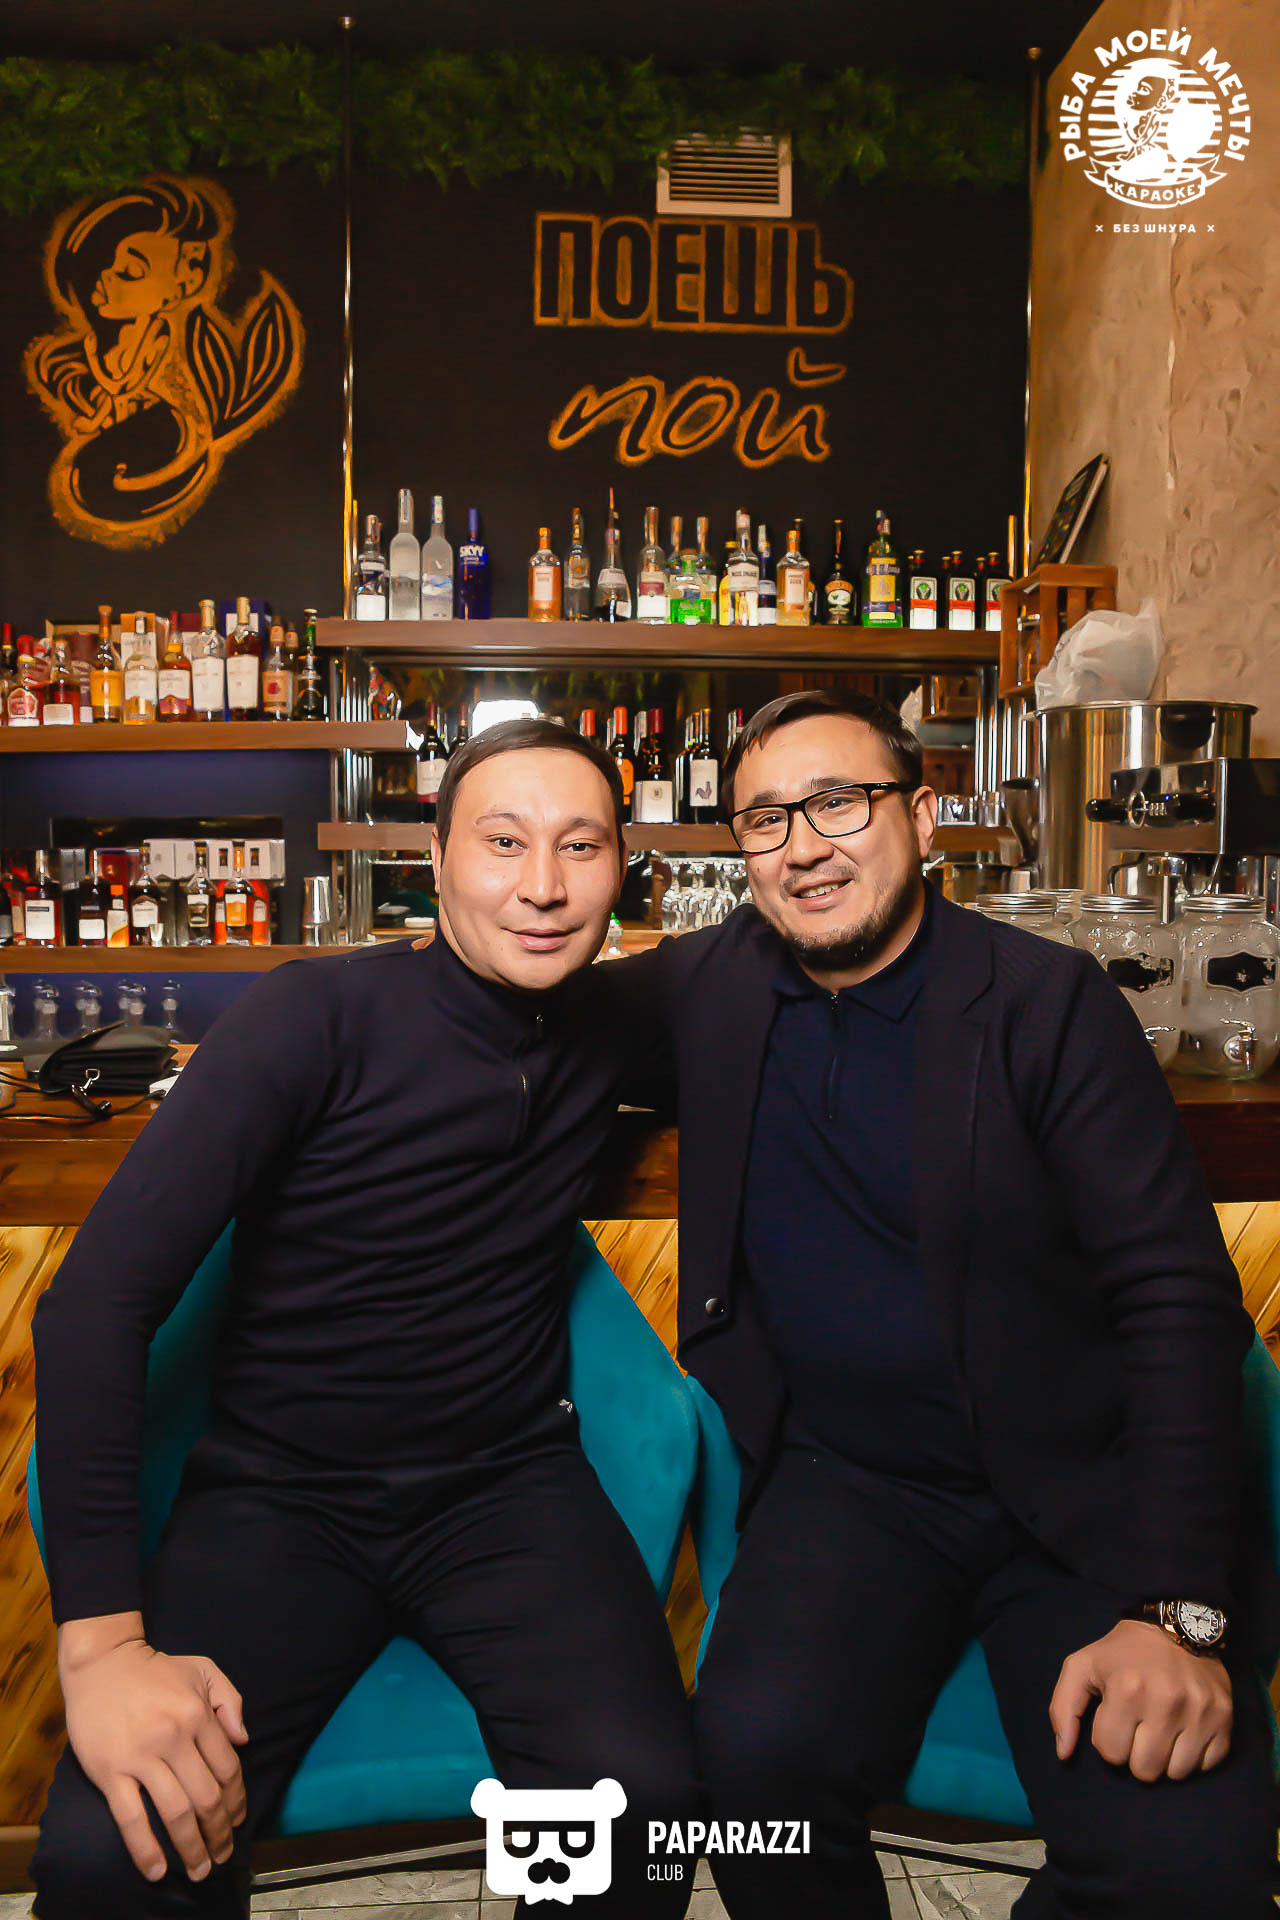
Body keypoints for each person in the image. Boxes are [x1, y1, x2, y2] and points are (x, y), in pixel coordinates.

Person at [610, 688, 1280, 1918]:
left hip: (1078, 1488)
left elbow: (1178, 1303)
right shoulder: (711, 984)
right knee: (745, 1777)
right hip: (850, 1484)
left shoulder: (1046, 1001)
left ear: (921, 818)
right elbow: (513, 1004)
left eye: (837, 803)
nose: (802, 845)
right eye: (765, 819)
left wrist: (1175, 1611)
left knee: (1183, 1864)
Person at [29, 718, 698, 1919]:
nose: (543, 886)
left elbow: (786, 963)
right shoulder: (310, 1016)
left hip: (506, 1490)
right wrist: (102, 1649)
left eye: (580, 845)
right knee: (110, 1855)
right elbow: (92, 1309)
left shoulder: (613, 1020)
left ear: (621, 868)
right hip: (280, 1497)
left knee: (642, 1812)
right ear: (433, 861)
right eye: (503, 842)